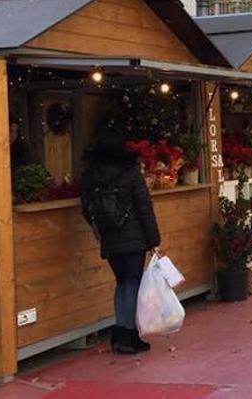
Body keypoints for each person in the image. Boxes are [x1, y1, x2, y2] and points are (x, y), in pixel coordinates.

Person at [80, 129, 161, 354]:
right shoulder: (131, 172)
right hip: (134, 239)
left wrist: (101, 228)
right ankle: (128, 335)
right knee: (132, 284)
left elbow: (87, 209)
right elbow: (145, 209)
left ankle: (120, 333)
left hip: (109, 239)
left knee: (121, 283)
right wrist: (154, 240)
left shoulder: (90, 175)